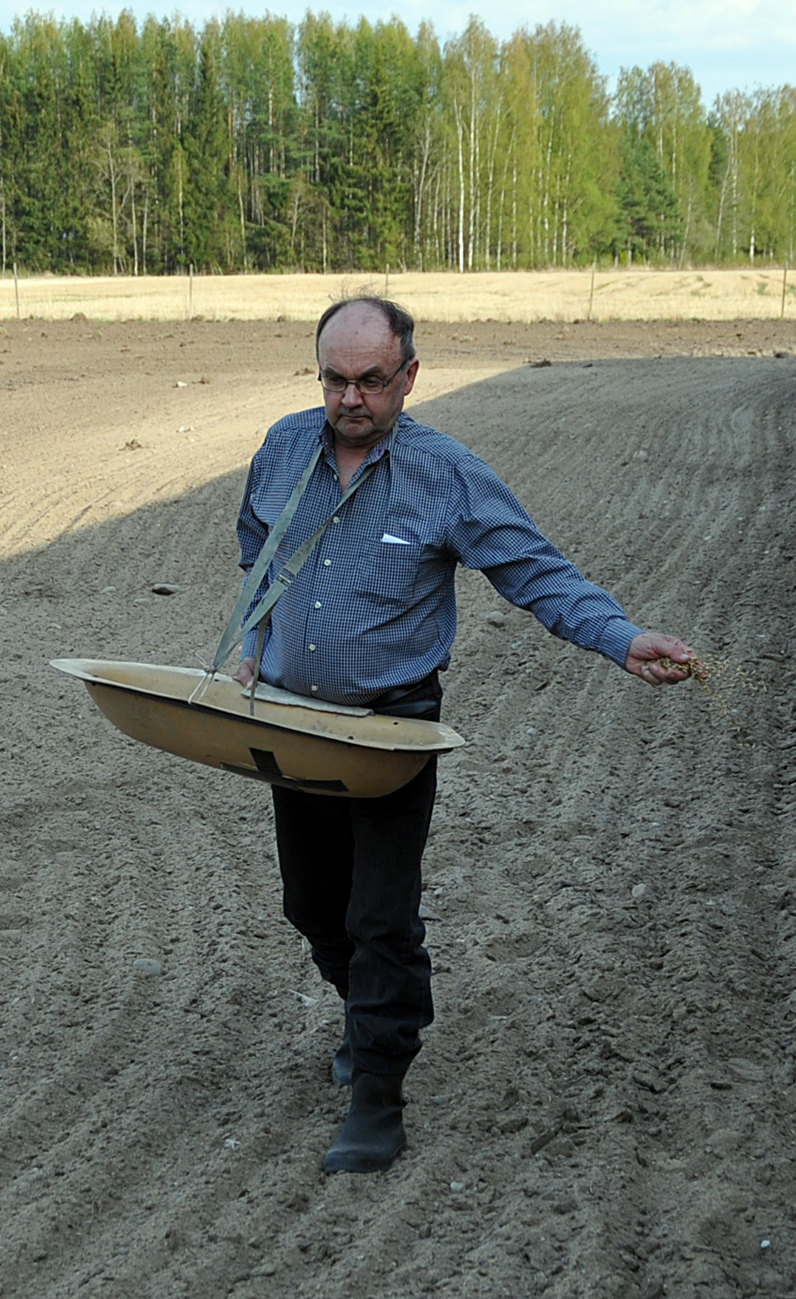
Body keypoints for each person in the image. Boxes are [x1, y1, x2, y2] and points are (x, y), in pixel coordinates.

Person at [232, 297, 693, 1172]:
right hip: (296, 723)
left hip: (393, 731)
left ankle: (378, 1090)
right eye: (335, 378)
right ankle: (378, 1007)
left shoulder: (448, 476)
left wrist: (623, 637)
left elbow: (535, 571)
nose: (351, 398)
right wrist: (255, 639)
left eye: (372, 380)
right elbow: (257, 542)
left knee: (380, 916)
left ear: (409, 376)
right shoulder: (284, 447)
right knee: (312, 906)